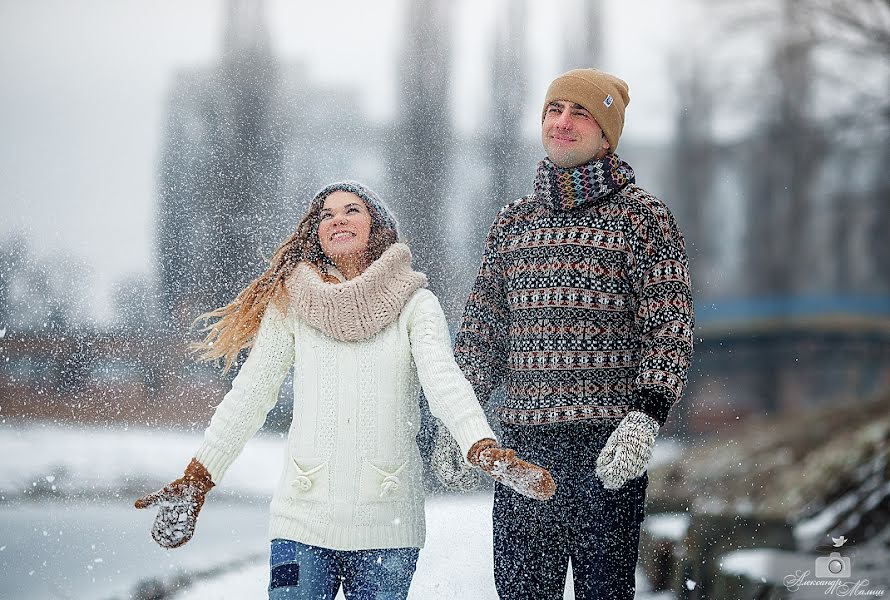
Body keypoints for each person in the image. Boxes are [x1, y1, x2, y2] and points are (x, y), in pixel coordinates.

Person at [135, 181, 555, 600]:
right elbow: (251, 395)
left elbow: (445, 381)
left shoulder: (416, 303)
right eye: (326, 214)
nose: (337, 218)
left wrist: (481, 445)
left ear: (378, 225)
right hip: (301, 520)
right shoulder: (292, 303)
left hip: (387, 525)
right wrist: (199, 476)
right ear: (315, 234)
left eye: (351, 209)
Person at [443, 69, 695, 599]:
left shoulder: (643, 220)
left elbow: (669, 330)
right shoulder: (514, 221)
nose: (562, 122)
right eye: (553, 109)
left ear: (606, 134)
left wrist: (644, 421)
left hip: (606, 454)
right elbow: (482, 334)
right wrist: (457, 424)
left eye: (579, 112)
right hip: (523, 453)